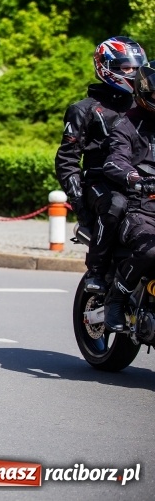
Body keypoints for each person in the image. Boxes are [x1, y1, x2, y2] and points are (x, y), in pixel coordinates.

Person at [55, 36, 147, 294]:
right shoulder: (83, 110)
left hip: (139, 182)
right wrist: (80, 205)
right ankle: (96, 270)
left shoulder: (143, 107)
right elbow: (66, 159)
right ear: (107, 67)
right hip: (100, 184)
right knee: (116, 203)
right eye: (128, 68)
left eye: (139, 67)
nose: (135, 73)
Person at [102, 61, 155, 331]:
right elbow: (114, 161)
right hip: (140, 208)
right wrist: (136, 179)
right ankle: (117, 298)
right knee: (152, 252)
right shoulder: (127, 124)